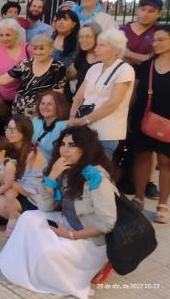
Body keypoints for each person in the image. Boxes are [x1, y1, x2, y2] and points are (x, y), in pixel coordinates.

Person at [0, 126, 117, 299]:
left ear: (85, 148)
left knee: (49, 254)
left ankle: (99, 266)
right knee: (28, 218)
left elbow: (107, 223)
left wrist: (71, 235)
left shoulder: (96, 177)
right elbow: (45, 207)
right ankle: (24, 269)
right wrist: (52, 176)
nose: (65, 150)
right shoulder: (63, 168)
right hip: (69, 221)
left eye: (72, 145)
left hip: (90, 238)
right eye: (63, 144)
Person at [69, 29, 135, 158]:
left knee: (98, 172)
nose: (96, 49)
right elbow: (78, 98)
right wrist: (72, 119)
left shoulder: (125, 70)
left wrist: (85, 120)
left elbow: (113, 103)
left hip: (106, 133)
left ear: (115, 49)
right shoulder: (94, 68)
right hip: (85, 130)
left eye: (101, 45)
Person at [129, 25, 170, 223]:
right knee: (142, 157)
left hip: (168, 120)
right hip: (143, 117)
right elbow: (135, 94)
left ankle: (163, 205)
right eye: (154, 40)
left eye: (161, 39)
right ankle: (139, 197)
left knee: (165, 162)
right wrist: (129, 117)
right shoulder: (146, 66)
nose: (156, 43)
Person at [0, 115, 46, 235]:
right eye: (8, 128)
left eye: (14, 129)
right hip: (11, 192)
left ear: (25, 132)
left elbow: (28, 192)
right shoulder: (6, 148)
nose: (9, 132)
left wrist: (0, 178)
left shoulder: (33, 154)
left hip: (31, 198)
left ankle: (28, 227)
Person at [0, 34, 66, 117]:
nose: (38, 52)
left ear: (50, 49)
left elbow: (58, 92)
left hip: (41, 112)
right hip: (19, 110)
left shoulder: (58, 67)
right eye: (35, 49)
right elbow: (6, 78)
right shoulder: (26, 63)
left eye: (41, 49)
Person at [0, 18, 31, 121]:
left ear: (16, 34)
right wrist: (0, 103)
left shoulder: (28, 49)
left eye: (8, 35)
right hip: (3, 101)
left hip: (25, 102)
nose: (4, 38)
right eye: (1, 35)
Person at [122, 0, 163, 66]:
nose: (145, 14)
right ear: (137, 10)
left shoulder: (161, 33)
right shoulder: (123, 30)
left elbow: (156, 61)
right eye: (142, 9)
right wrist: (144, 58)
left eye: (151, 11)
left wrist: (128, 54)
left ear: (159, 14)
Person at [66, 23, 102, 100]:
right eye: (81, 37)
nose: (83, 40)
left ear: (98, 37)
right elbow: (67, 76)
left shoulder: (104, 59)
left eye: (88, 37)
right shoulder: (81, 56)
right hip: (78, 101)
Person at [32, 91, 69, 161]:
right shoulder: (36, 121)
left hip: (52, 166)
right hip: (34, 163)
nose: (45, 107)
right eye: (42, 103)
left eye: (49, 104)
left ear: (59, 106)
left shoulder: (64, 126)